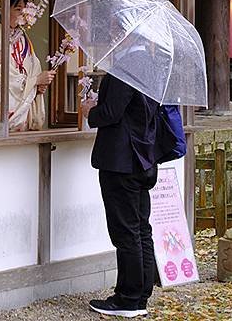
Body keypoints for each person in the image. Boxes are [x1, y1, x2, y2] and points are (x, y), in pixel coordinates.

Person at [81, 72, 177, 318]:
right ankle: (141, 294)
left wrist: (90, 110)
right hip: (143, 159)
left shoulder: (125, 72)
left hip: (122, 162)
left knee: (126, 232)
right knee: (141, 230)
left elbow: (112, 112)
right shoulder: (151, 71)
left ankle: (127, 298)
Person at [0, 0, 55, 132]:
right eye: (18, 9)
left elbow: (34, 66)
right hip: (7, 109)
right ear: (2, 10)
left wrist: (38, 85)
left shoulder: (23, 39)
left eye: (24, 9)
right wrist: (35, 81)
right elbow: (5, 79)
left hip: (25, 112)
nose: (23, 13)